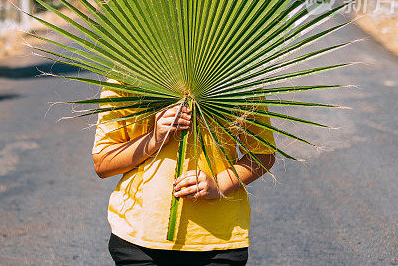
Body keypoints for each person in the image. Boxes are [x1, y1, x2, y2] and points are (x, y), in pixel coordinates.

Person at [92, 82, 276, 266]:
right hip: (139, 239)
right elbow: (103, 164)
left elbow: (263, 155)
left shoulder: (237, 79)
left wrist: (219, 184)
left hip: (217, 240)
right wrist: (154, 138)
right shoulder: (125, 79)